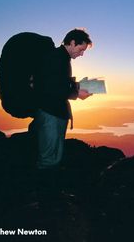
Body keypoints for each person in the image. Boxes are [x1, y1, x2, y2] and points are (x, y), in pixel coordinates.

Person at [30, 28, 93, 199]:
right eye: (81, 49)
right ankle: (45, 199)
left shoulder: (61, 59)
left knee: (54, 155)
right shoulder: (55, 58)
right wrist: (76, 94)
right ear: (72, 43)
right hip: (50, 113)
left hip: (55, 113)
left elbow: (58, 84)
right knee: (48, 157)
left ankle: (51, 194)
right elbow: (50, 88)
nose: (81, 54)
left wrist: (77, 86)